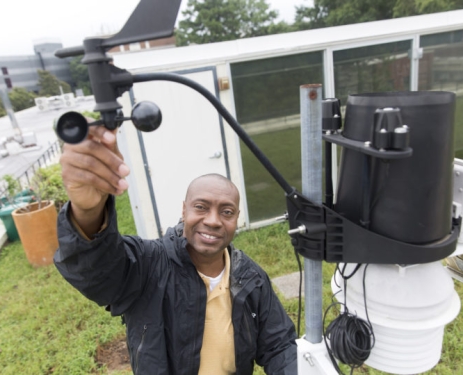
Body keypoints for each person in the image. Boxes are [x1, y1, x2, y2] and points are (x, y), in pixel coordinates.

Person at [54, 124, 298, 374]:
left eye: (226, 212)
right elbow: (96, 270)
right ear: (184, 210)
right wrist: (88, 210)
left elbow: (279, 345)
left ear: (236, 218)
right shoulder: (148, 265)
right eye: (201, 207)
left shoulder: (251, 278)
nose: (213, 220)